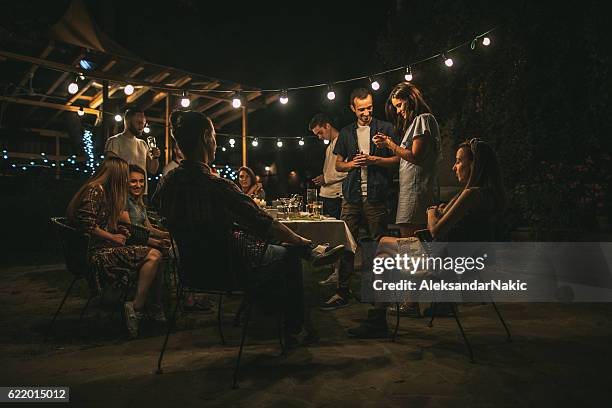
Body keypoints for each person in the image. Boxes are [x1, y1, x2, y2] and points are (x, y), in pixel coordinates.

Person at [157, 110, 345, 346]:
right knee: (288, 255)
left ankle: (305, 258)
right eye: (214, 136)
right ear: (206, 137)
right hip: (228, 269)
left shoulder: (167, 183)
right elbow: (265, 222)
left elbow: (166, 218)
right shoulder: (218, 185)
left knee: (271, 245)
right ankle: (295, 327)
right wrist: (300, 240)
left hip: (191, 270)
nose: (215, 142)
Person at [347, 138, 507, 338]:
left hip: (445, 263)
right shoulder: (489, 195)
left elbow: (435, 231)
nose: (454, 166)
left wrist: (431, 212)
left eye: (459, 161)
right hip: (469, 261)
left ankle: (377, 316)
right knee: (387, 245)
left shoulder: (471, 194)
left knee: (384, 248)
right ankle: (381, 301)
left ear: (474, 165)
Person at [66, 157, 165, 338]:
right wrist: (112, 237)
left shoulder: (103, 192)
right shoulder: (95, 190)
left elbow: (103, 224)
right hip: (97, 254)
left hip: (105, 249)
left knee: (155, 256)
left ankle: (147, 308)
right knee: (154, 256)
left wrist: (119, 230)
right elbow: (86, 224)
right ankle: (137, 308)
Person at [321, 87, 399, 310]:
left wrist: (374, 160)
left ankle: (376, 292)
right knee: (346, 244)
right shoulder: (346, 133)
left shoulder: (386, 128)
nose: (366, 113)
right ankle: (342, 291)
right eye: (362, 109)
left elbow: (397, 159)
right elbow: (338, 164)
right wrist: (352, 164)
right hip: (352, 196)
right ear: (353, 108)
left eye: (370, 108)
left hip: (376, 195)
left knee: (378, 245)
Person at [374, 82, 441, 238]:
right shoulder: (415, 123)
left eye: (399, 105)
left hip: (417, 192)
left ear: (410, 99)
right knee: (410, 243)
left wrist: (390, 144)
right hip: (410, 191)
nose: (398, 111)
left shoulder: (423, 119)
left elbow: (415, 156)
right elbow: (404, 157)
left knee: (411, 243)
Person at [104, 108, 160, 196]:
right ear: (128, 122)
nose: (142, 127)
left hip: (142, 193)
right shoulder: (115, 141)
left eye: (144, 124)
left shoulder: (143, 143)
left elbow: (152, 170)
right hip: (122, 193)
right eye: (139, 123)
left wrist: (155, 157)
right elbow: (110, 168)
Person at [120, 164, 171, 249]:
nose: (139, 185)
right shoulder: (123, 201)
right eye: (133, 181)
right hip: (131, 244)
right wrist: (157, 242)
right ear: (125, 182)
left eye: (141, 181)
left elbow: (149, 228)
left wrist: (167, 235)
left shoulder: (139, 202)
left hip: (144, 241)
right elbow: (130, 233)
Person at [309, 113, 346, 220]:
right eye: (317, 135)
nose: (320, 137)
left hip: (336, 196)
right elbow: (331, 169)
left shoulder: (343, 141)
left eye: (320, 132)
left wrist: (325, 178)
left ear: (328, 126)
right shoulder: (330, 146)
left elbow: (348, 169)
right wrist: (323, 176)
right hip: (326, 194)